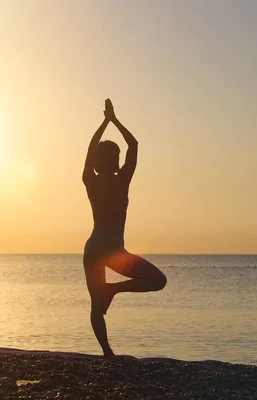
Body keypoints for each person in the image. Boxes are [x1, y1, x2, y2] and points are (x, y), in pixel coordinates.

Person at [82, 99, 167, 358]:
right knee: (158, 281)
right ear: (116, 160)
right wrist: (114, 120)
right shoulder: (123, 180)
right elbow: (134, 144)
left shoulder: (90, 180)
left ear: (97, 161)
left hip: (95, 247)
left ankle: (107, 352)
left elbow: (89, 148)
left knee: (97, 306)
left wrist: (104, 122)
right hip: (112, 250)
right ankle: (114, 291)